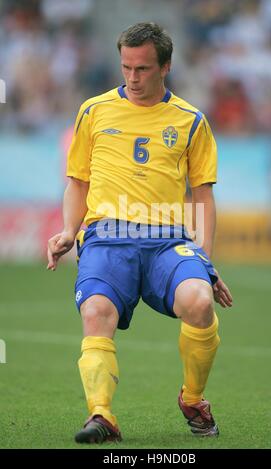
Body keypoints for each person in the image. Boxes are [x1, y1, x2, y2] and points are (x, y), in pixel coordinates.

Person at [47, 22, 233, 444]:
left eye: (143, 69)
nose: (132, 77)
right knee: (95, 311)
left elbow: (203, 194)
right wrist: (66, 230)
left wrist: (204, 257)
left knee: (200, 302)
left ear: (165, 67)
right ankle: (102, 415)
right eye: (126, 67)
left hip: (168, 239)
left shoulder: (191, 121)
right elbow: (77, 182)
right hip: (106, 236)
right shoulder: (93, 110)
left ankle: (193, 398)